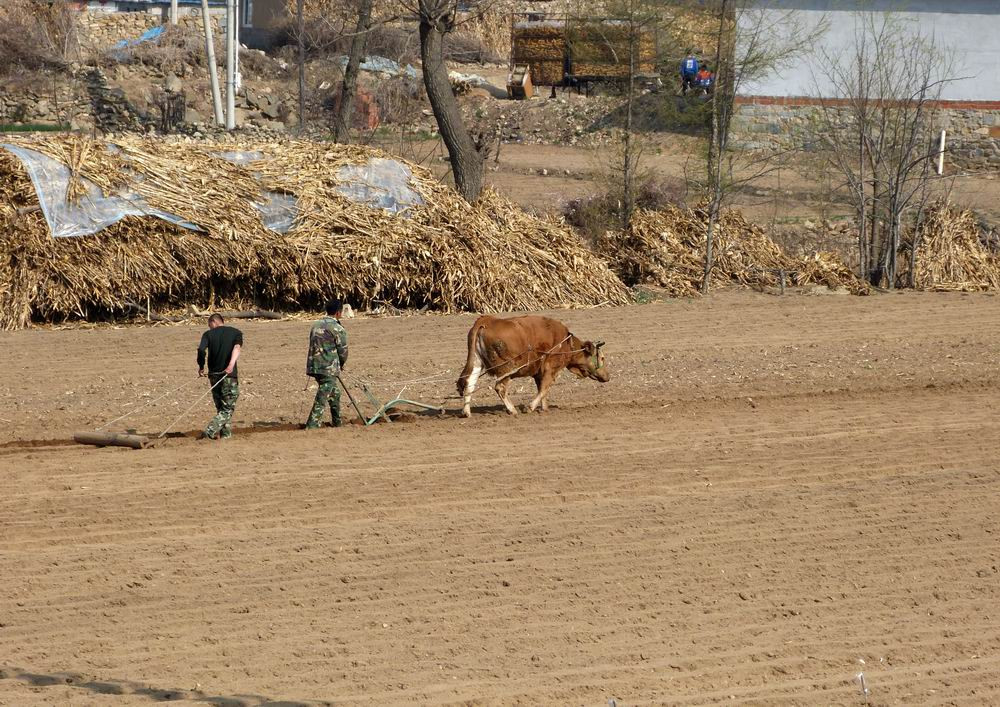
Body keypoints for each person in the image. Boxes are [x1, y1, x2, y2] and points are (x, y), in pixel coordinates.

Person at [197, 313, 243, 440]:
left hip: (214, 375)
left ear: (214, 322)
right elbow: (237, 348)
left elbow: (201, 350)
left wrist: (201, 367)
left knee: (221, 408)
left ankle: (226, 435)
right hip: (229, 376)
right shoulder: (236, 332)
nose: (209, 327)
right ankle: (210, 430)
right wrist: (231, 365)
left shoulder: (207, 334)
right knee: (227, 408)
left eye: (209, 325)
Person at [305, 299, 349, 430]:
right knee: (323, 395)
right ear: (338, 313)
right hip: (328, 368)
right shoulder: (337, 328)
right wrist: (341, 363)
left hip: (314, 365)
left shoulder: (316, 325)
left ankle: (337, 421)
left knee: (334, 392)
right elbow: (343, 351)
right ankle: (312, 425)